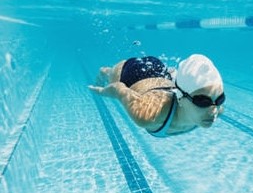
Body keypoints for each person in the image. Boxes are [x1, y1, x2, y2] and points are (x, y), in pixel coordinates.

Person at [88, 54, 225, 137]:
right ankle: (105, 71)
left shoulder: (216, 110)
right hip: (134, 74)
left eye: (220, 99)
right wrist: (101, 92)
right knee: (111, 74)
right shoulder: (148, 115)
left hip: (162, 75)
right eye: (202, 101)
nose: (214, 110)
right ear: (180, 98)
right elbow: (119, 89)